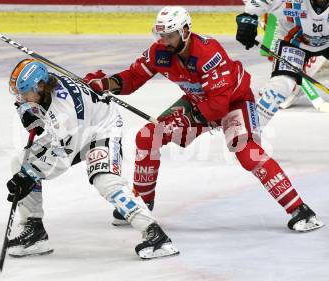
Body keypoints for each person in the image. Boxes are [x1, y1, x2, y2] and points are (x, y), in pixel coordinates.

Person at [83, 6, 324, 232]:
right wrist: (105, 84)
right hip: (199, 101)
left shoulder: (209, 52)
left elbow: (218, 106)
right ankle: (142, 205)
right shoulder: (160, 52)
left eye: (169, 35)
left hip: (233, 102)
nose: (163, 41)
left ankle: (300, 210)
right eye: (161, 34)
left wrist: (186, 121)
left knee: (247, 151)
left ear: (185, 31)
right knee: (148, 136)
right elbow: (133, 77)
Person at [4, 59, 179, 259]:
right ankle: (34, 232)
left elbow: (60, 159)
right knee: (20, 163)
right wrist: (30, 113)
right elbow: (45, 118)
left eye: (25, 93)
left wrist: (29, 177)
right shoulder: (44, 91)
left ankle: (156, 235)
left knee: (105, 181)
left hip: (101, 130)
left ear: (41, 86)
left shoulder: (64, 113)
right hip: (79, 127)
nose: (22, 98)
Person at [236, 0, 329, 124]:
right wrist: (247, 20)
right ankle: (251, 131)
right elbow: (258, 3)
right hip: (292, 41)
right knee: (281, 85)